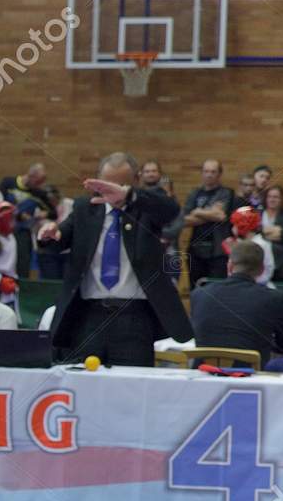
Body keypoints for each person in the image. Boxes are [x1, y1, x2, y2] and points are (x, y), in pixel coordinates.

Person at [40, 152, 192, 367]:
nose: (112, 191)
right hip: (89, 316)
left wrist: (128, 196)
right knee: (84, 378)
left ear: (136, 181)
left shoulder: (147, 208)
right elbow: (60, 238)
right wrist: (48, 236)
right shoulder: (85, 208)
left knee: (133, 381)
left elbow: (171, 210)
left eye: (121, 185)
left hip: (134, 318)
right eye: (107, 184)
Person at [190, 240, 283, 371]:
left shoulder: (199, 294)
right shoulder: (274, 298)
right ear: (262, 270)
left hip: (203, 373)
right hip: (250, 376)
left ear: (230, 266)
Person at [177, 159, 234, 288]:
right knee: (195, 289)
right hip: (195, 250)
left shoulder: (226, 193)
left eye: (213, 172)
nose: (209, 175)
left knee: (216, 288)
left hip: (218, 251)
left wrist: (197, 211)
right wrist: (211, 213)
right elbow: (184, 219)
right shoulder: (195, 193)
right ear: (202, 173)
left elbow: (221, 216)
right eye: (206, 171)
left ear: (219, 174)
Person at [258, 184, 283, 283]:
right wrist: (273, 231)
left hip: (281, 266)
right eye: (269, 196)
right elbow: (251, 232)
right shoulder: (257, 213)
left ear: (282, 199)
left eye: (276, 197)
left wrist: (261, 233)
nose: (272, 199)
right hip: (258, 263)